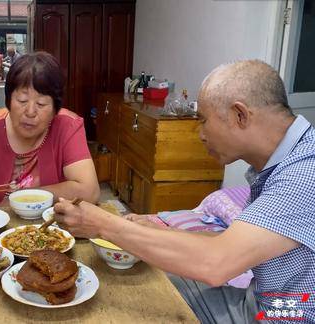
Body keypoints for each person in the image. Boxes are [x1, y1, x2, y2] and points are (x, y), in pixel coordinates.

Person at [53, 60, 315, 323]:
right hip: (259, 301)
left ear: (240, 115)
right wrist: (160, 231)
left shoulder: (303, 176)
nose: (200, 134)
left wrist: (102, 223)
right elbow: (230, 245)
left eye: (203, 120)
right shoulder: (284, 159)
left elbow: (216, 264)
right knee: (144, 283)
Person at [0, 51, 100, 207]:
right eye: (22, 100)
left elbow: (89, 191)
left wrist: (28, 197)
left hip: (52, 225)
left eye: (41, 104)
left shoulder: (68, 126)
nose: (30, 112)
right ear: (8, 100)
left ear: (56, 109)